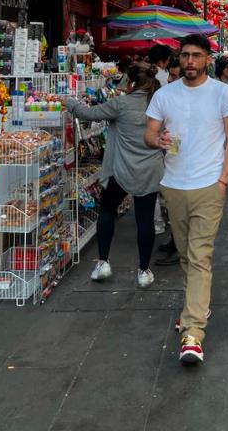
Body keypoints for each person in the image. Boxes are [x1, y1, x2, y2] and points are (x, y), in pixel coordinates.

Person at [144, 34, 228, 365]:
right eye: (185, 55)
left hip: (208, 186)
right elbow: (148, 134)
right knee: (186, 255)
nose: (190, 61)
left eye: (196, 56)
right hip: (173, 185)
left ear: (207, 59)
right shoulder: (164, 94)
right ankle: (195, 305)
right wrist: (157, 140)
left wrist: (223, 179)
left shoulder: (223, 93)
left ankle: (193, 333)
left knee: (199, 255)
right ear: (179, 59)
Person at [65, 61, 165, 288]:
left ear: (131, 82)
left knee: (107, 211)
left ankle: (103, 262)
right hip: (150, 170)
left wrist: (69, 101)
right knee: (145, 219)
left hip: (119, 169)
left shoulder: (121, 103)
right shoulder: (159, 103)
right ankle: (143, 271)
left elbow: (89, 113)